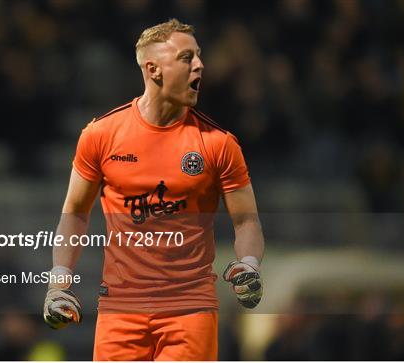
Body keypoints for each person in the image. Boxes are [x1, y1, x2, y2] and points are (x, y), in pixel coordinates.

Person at [42, 18, 264, 361]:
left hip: (189, 309)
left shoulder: (219, 144)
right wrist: (59, 281)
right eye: (187, 58)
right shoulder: (100, 135)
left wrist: (249, 263)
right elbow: (74, 213)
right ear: (153, 69)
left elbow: (246, 219)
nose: (201, 65)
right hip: (120, 310)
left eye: (199, 56)